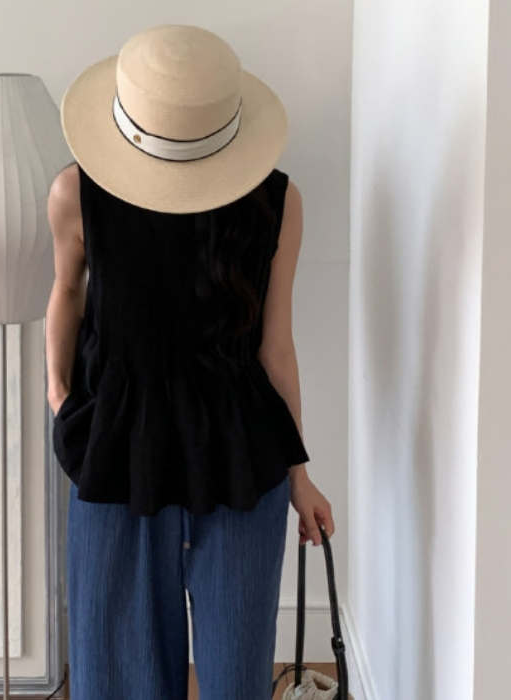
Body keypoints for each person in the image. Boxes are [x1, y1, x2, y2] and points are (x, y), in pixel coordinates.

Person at [45, 23, 334, 700]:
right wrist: (61, 400)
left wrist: (299, 475)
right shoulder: (76, 193)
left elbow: (275, 346)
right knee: (118, 673)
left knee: (238, 672)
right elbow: (65, 292)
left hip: (240, 452)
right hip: (117, 449)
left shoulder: (276, 203)